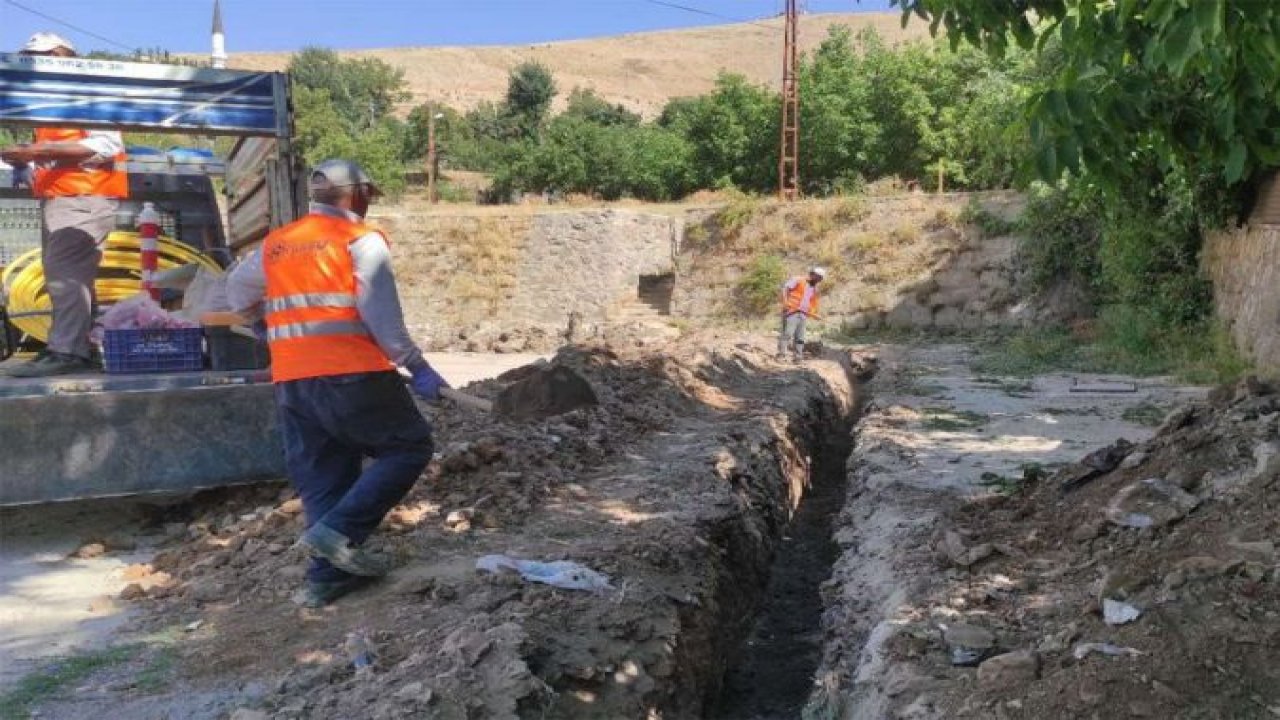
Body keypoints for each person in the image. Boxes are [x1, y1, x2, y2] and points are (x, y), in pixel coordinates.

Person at [226, 159, 449, 608]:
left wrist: (260, 325)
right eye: (368, 195)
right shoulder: (361, 241)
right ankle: (339, 532)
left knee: (324, 476)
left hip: (293, 381)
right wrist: (418, 366)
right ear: (357, 194)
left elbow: (236, 292)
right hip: (353, 374)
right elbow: (382, 318)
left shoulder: (277, 245)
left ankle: (325, 579)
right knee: (409, 447)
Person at [0, 33, 130, 377]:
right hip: (68, 200)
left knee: (66, 279)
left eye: (36, 56)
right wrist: (25, 162)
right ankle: (79, 348)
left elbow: (105, 145)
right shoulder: (54, 101)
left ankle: (68, 352)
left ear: (60, 55)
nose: (30, 63)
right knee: (71, 279)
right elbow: (58, 156)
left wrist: (34, 153)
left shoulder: (85, 92)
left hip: (82, 199)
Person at [777, 266, 825, 362]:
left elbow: (811, 304)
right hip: (792, 311)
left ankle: (798, 357)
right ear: (813, 274)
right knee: (787, 333)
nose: (819, 280)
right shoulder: (798, 280)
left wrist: (815, 315)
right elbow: (785, 289)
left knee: (800, 337)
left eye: (821, 279)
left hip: (803, 314)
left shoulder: (814, 289)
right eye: (819, 278)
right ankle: (781, 355)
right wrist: (785, 303)